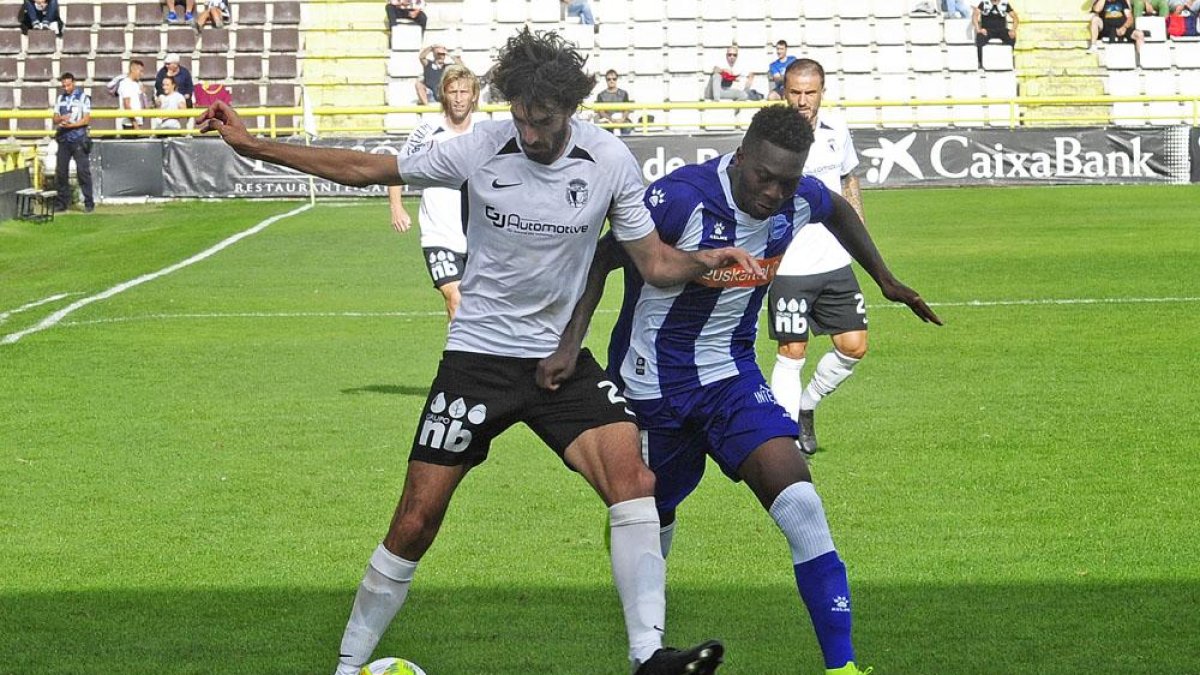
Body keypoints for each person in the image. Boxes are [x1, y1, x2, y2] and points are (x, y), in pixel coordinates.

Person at [197, 27, 750, 675]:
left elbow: (652, 260)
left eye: (542, 121)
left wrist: (702, 261)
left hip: (559, 363)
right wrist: (253, 144)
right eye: (519, 117)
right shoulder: (479, 147)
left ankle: (648, 656)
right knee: (416, 519)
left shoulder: (611, 163)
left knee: (636, 484)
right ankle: (348, 666)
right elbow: (366, 170)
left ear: (569, 110)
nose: (530, 134)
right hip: (478, 359)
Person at [538, 105, 941, 675]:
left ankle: (843, 667)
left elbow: (835, 210)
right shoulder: (680, 198)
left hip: (731, 380)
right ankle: (646, 637)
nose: (775, 193)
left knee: (801, 504)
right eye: (764, 178)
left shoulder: (800, 197)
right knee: (654, 513)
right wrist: (568, 344)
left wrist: (887, 279)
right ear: (742, 156)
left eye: (787, 181)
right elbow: (602, 259)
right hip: (654, 388)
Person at [767, 59, 873, 454]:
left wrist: (857, 227)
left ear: (822, 92)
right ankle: (783, 440)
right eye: (795, 92)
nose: (802, 101)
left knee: (854, 346)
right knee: (792, 351)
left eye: (810, 93)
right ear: (784, 92)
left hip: (834, 259)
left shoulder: (836, 130)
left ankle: (807, 404)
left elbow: (849, 176)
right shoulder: (770, 137)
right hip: (790, 263)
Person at [387, 64, 479, 321]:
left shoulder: (485, 132)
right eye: (453, 92)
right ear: (443, 95)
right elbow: (397, 166)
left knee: (480, 306)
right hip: (439, 234)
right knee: (455, 298)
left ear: (474, 95)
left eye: (464, 92)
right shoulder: (427, 130)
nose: (459, 98)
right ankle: (460, 358)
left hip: (482, 236)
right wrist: (396, 206)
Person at [51, 72, 94, 214]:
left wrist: (73, 125)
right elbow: (55, 118)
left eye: (68, 85)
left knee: (83, 172)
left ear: (73, 83)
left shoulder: (83, 98)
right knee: (61, 172)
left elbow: (86, 119)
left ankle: (89, 202)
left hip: (78, 138)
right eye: (64, 85)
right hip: (64, 138)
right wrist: (61, 119)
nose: (66, 88)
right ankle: (62, 202)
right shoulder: (60, 98)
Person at [973, 0, 1019, 68]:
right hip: (987, 30)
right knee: (980, 37)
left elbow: (1015, 18)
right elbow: (975, 15)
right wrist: (978, 30)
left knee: (1011, 37)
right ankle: (980, 62)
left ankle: (1008, 59)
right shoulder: (984, 3)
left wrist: (1013, 30)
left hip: (1001, 30)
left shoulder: (1004, 4)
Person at [594, 69, 632, 134]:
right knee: (601, 128)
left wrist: (622, 119)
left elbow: (627, 109)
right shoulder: (601, 95)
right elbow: (601, 112)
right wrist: (611, 120)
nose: (611, 81)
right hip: (606, 120)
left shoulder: (624, 93)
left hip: (621, 119)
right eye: (609, 79)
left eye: (614, 79)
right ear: (606, 80)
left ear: (617, 79)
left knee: (628, 127)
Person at [117, 60, 148, 135]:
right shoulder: (125, 84)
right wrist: (135, 123)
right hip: (130, 124)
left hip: (139, 122)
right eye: (140, 71)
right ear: (132, 69)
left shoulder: (138, 84)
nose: (141, 74)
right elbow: (127, 105)